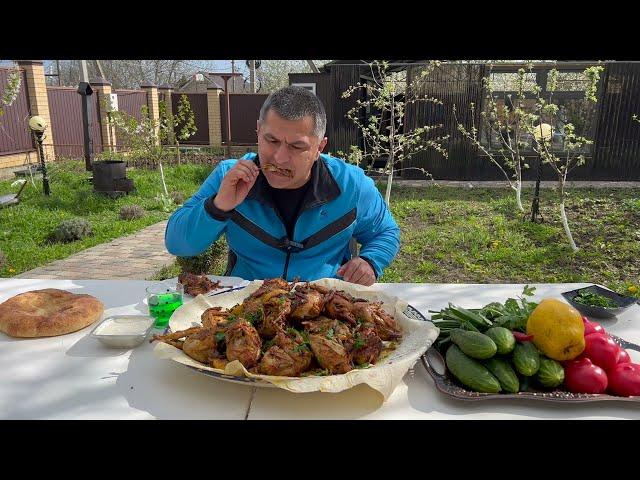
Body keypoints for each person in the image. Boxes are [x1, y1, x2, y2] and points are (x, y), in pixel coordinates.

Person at [165, 86, 400, 286]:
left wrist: (370, 261)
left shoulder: (351, 184)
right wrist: (218, 206)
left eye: (297, 147)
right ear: (258, 131)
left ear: (320, 147)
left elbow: (385, 232)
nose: (279, 158)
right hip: (246, 305)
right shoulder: (229, 176)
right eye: (271, 140)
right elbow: (178, 243)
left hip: (323, 308)